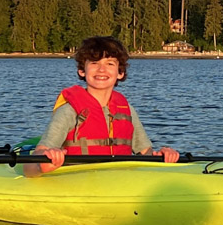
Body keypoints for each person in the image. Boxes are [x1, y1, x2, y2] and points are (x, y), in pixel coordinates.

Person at [26, 36, 179, 176]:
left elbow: (146, 154)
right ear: (82, 71)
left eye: (110, 63)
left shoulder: (127, 110)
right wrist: (42, 165)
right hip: (78, 181)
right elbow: (31, 165)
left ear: (120, 72)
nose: (101, 69)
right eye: (94, 63)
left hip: (119, 180)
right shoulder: (69, 111)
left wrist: (163, 155)